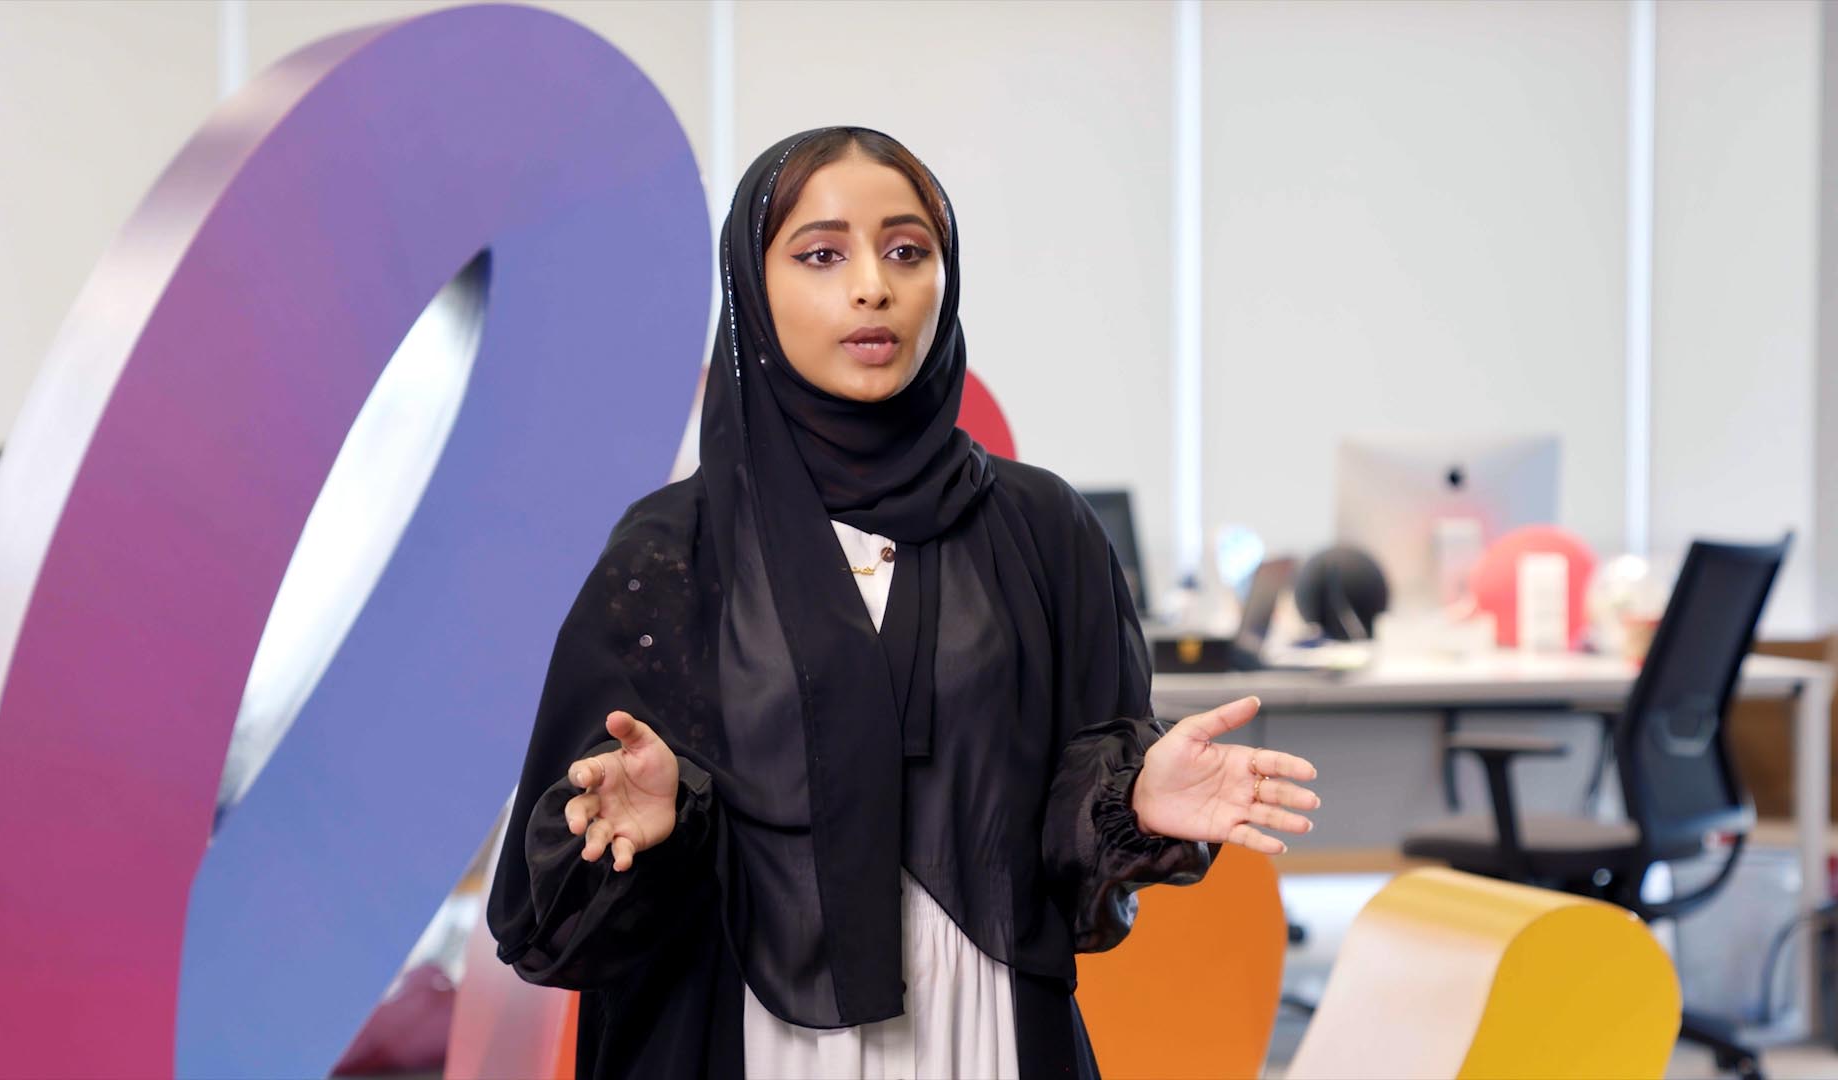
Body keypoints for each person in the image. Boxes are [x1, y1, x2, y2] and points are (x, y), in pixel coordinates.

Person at [485, 125, 1321, 1078]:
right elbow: (551, 899)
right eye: (822, 254)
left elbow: (1063, 818)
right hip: (744, 1036)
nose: (872, 285)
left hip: (986, 1030)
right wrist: (656, 824)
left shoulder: (1043, 528)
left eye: (906, 250)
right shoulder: (672, 550)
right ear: (754, 292)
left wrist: (1132, 796)